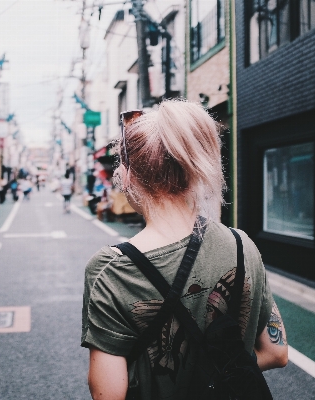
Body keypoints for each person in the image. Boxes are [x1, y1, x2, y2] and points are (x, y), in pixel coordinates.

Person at [81, 100, 288, 399]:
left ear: (127, 177)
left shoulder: (109, 269)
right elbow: (276, 352)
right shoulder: (242, 244)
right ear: (191, 170)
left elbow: (109, 394)